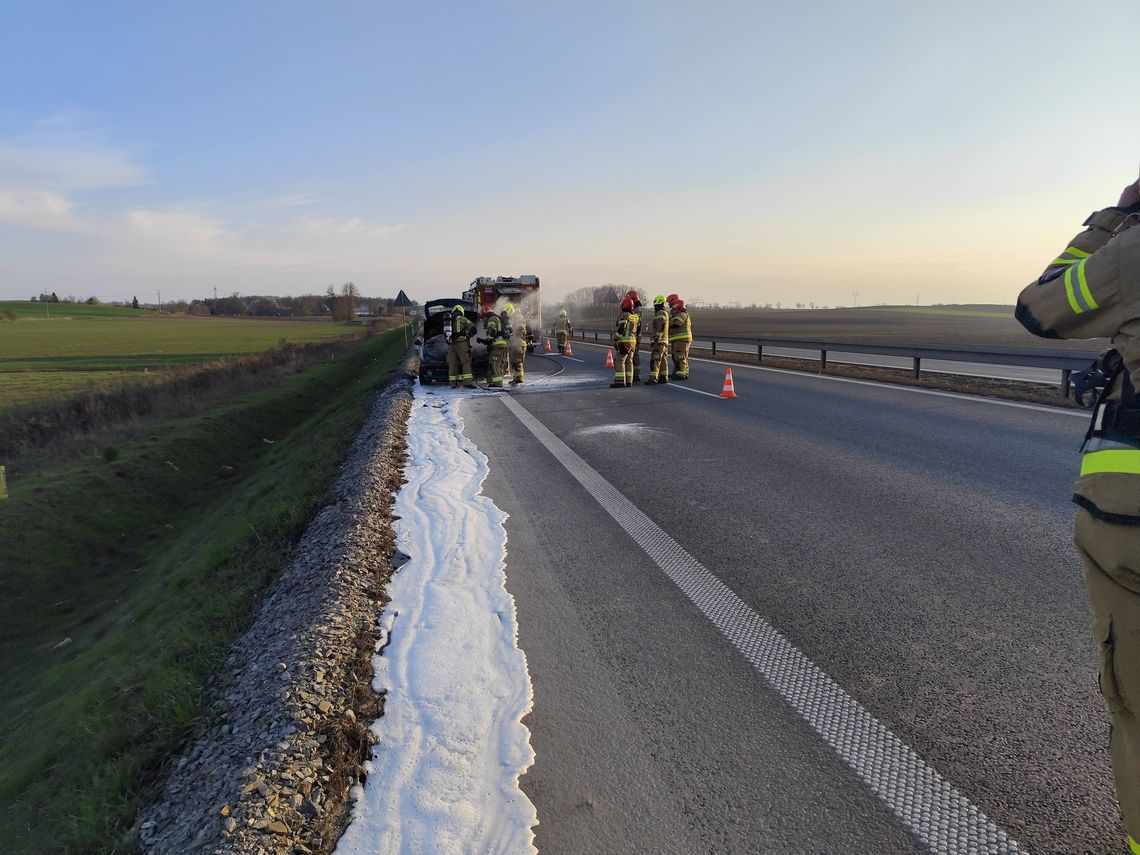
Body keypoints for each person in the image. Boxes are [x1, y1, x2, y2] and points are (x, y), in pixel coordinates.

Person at [1016, 176, 1140, 855]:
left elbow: (1039, 307)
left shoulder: (1131, 253)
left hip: (1129, 524)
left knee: (1136, 703)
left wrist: (1113, 218)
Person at [446, 304, 477, 389]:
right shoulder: (462, 319)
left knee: (452, 364)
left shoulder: (449, 320)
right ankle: (467, 383)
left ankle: (453, 383)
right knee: (465, 362)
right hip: (461, 342)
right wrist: (467, 336)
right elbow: (474, 329)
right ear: (461, 311)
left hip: (451, 344)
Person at [479, 305, 509, 388]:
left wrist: (488, 340)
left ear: (485, 313)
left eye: (483, 316)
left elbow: (492, 330)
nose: (483, 318)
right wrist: (484, 340)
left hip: (497, 344)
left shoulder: (491, 319)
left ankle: (498, 383)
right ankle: (499, 380)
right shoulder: (499, 318)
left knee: (494, 363)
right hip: (504, 344)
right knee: (500, 363)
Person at [611, 296, 636, 387]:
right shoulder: (634, 317)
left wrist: (616, 338)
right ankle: (629, 382)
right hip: (633, 342)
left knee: (619, 361)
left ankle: (620, 382)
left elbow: (622, 327)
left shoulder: (624, 315)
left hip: (624, 342)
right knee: (629, 361)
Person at [646, 294, 670, 385]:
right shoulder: (664, 313)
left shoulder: (660, 313)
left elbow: (661, 326)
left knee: (655, 360)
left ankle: (653, 378)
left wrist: (656, 338)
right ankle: (663, 377)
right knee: (663, 360)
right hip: (664, 341)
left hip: (659, 342)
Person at [504, 302, 528, 386]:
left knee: (517, 362)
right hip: (515, 342)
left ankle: (519, 379)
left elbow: (520, 328)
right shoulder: (514, 318)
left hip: (518, 342)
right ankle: (516, 378)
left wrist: (514, 333)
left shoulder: (518, 317)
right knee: (514, 362)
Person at [669, 297, 692, 380]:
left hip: (681, 339)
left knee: (680, 357)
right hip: (678, 339)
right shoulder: (680, 314)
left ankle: (681, 374)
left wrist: (667, 322)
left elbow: (675, 324)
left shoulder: (682, 314)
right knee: (679, 357)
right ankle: (681, 372)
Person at [625, 289, 643, 382]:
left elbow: (637, 325)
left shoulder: (637, 311)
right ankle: (634, 374)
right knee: (633, 354)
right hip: (635, 335)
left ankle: (636, 374)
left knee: (634, 354)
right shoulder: (636, 310)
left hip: (635, 335)